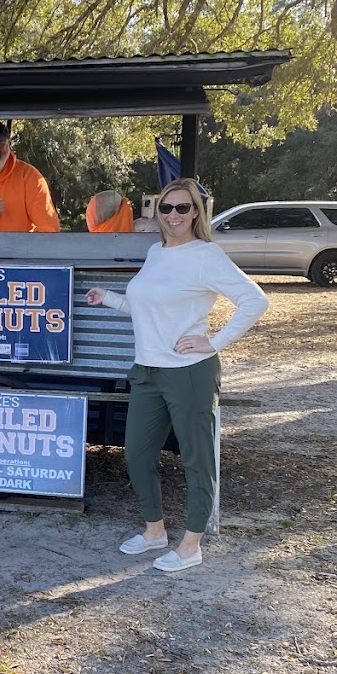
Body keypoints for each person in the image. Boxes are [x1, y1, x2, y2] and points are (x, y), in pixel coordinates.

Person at [85, 177, 269, 573]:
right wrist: (110, 299)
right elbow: (149, 307)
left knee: (197, 460)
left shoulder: (206, 255)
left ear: (196, 213)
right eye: (166, 208)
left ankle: (191, 545)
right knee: (136, 455)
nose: (173, 215)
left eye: (183, 208)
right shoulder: (156, 252)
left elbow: (255, 300)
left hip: (189, 373)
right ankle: (155, 532)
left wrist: (214, 342)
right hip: (147, 371)